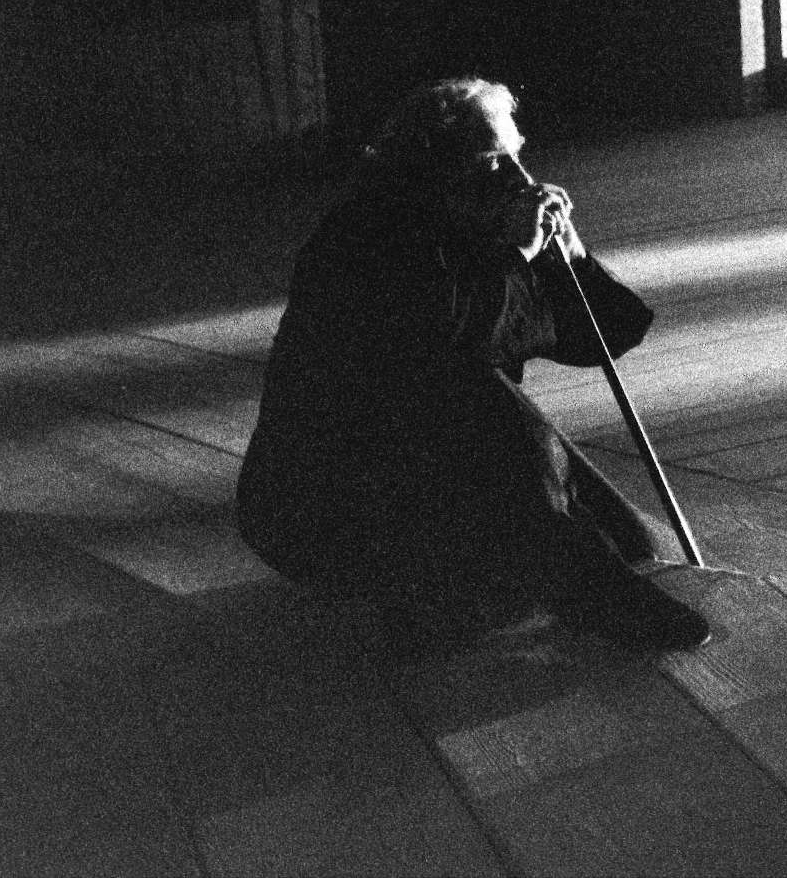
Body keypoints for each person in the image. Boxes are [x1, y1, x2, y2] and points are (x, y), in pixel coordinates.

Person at [237, 76, 713, 652]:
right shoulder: (362, 235)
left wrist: (572, 255)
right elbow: (440, 335)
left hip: (437, 466)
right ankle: (517, 597)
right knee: (467, 388)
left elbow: (601, 337)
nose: (521, 180)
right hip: (330, 494)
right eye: (492, 162)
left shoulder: (479, 227)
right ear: (435, 169)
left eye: (517, 155)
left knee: (633, 545)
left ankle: (493, 588)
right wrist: (517, 255)